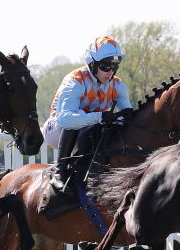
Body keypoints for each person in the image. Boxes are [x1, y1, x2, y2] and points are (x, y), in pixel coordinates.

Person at [42, 36, 132, 194]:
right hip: (56, 130)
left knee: (112, 124)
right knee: (82, 118)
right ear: (92, 63)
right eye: (105, 66)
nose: (110, 72)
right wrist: (100, 116)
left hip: (86, 130)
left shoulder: (118, 85)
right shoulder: (75, 80)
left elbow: (128, 116)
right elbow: (65, 119)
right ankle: (60, 171)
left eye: (114, 66)